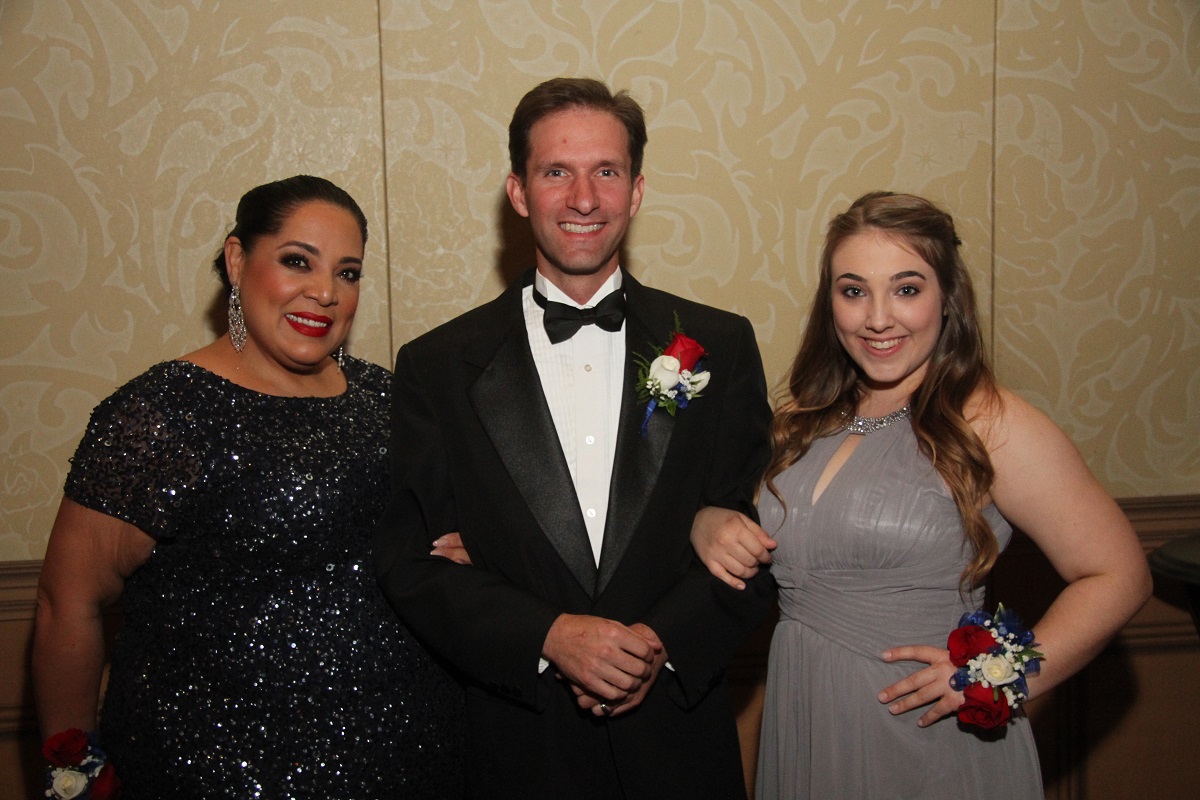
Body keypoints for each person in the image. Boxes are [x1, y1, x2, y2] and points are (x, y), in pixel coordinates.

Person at [373, 77, 775, 799]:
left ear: (637, 190)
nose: (584, 198)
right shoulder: (437, 366)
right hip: (518, 751)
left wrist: (656, 645)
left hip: (679, 750)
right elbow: (412, 566)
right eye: (556, 172)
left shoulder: (719, 343)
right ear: (519, 192)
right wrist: (548, 635)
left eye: (606, 172)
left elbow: (755, 542)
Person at [691, 191, 1152, 799]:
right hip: (809, 724)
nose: (878, 318)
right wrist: (707, 520)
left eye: (906, 289)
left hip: (926, 741)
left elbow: (1120, 574)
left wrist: (995, 676)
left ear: (948, 296)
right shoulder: (805, 422)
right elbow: (758, 538)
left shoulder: (990, 423)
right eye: (854, 291)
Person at [33, 175, 465, 799]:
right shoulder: (163, 414)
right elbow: (66, 604)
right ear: (237, 260)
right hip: (219, 768)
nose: (325, 292)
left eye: (347, 273)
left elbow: (438, 535)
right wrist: (74, 772)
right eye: (297, 262)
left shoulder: (387, 398)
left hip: (414, 752)